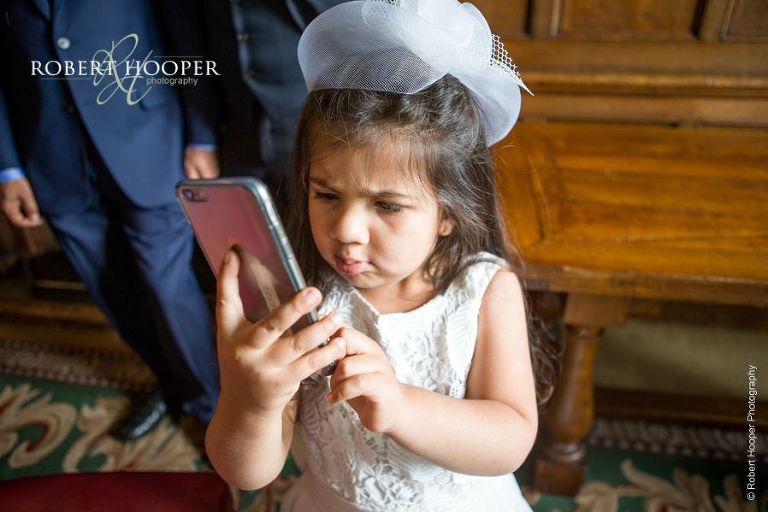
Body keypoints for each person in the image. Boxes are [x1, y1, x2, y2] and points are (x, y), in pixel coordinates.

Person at [205, 0, 553, 510]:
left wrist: (401, 406)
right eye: (326, 194)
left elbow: (512, 438)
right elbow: (248, 473)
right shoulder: (296, 295)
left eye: (387, 205)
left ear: (450, 212)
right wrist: (252, 398)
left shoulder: (483, 291)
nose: (346, 230)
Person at [0, 0, 220, 440]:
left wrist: (201, 135)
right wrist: (7, 168)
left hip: (147, 139)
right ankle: (170, 382)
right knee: (111, 290)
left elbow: (184, 29)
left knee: (165, 284)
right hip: (51, 158)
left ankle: (214, 405)